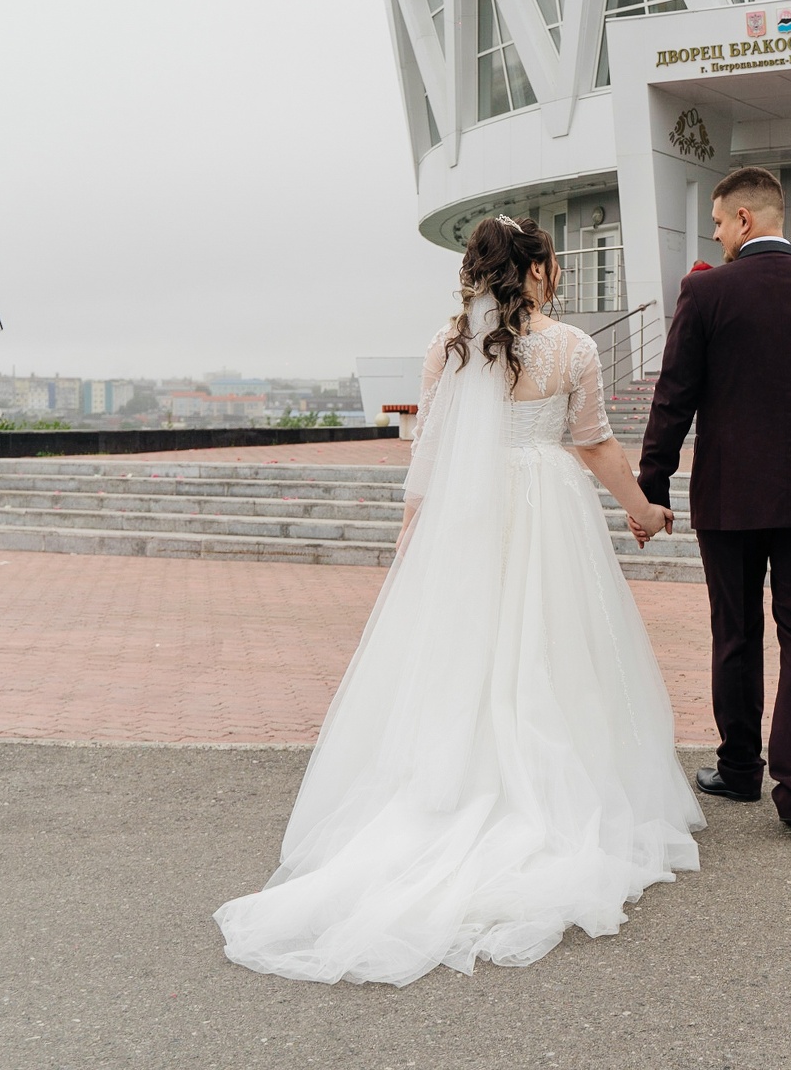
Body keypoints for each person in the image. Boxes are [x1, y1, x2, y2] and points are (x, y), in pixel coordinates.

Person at [215, 214, 701, 985]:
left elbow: (433, 449)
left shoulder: (448, 347)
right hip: (548, 511)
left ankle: (453, 789)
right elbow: (597, 443)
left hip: (466, 517)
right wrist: (642, 511)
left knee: (463, 652)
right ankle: (548, 789)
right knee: (551, 649)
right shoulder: (571, 348)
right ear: (537, 270)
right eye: (554, 266)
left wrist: (414, 533)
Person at [634, 166, 791, 831]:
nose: (716, 234)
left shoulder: (706, 294)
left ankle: (739, 770)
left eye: (717, 221)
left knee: (734, 632)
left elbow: (673, 399)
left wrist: (650, 490)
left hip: (729, 497)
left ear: (744, 220)